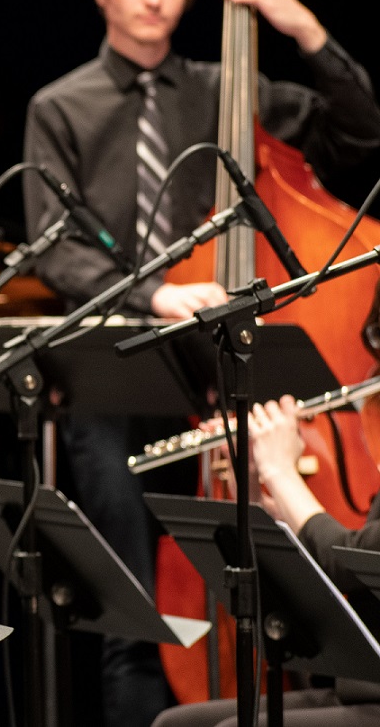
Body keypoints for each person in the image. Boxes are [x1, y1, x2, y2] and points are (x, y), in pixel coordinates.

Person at [21, 0, 380, 727]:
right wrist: (154, 294)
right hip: (124, 374)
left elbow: (360, 131)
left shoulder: (230, 90)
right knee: (140, 619)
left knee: (288, 608)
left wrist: (303, 27)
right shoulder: (60, 106)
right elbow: (57, 252)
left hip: (233, 371)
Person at [149, 289, 380, 726]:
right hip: (363, 685)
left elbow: (353, 561)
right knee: (175, 723)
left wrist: (282, 473)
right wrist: (256, 499)